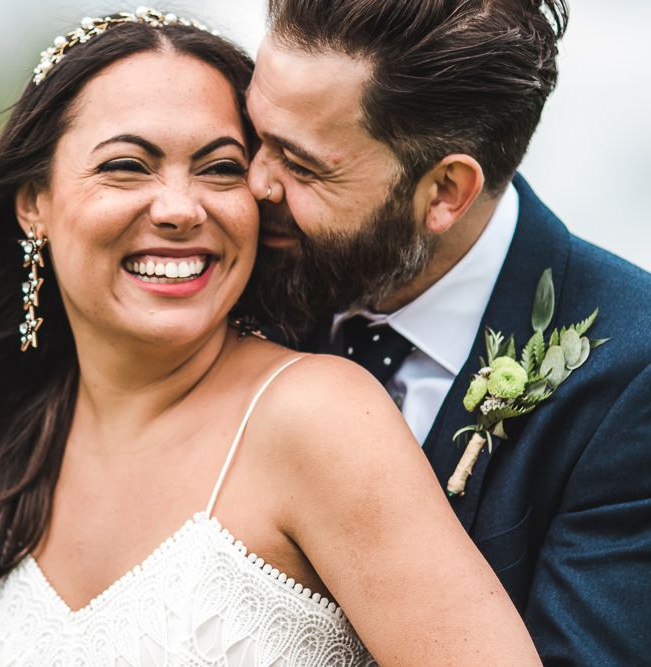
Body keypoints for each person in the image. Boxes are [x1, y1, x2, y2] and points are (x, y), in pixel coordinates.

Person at [0, 7, 543, 667]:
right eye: (127, 165)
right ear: (33, 201)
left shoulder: (318, 418)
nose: (179, 208)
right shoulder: (6, 442)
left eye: (219, 168)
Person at [243, 0, 651, 664]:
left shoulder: (632, 376)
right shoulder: (238, 278)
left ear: (444, 192)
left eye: (302, 165)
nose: (254, 184)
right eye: (254, 133)